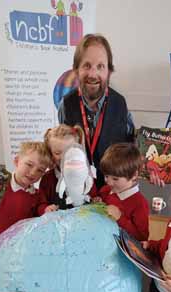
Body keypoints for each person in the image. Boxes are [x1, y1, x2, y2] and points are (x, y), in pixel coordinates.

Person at [58, 33, 135, 188]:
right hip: (78, 191)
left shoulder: (120, 104)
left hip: (113, 191)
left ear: (109, 71)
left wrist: (148, 168)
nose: (93, 74)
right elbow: (61, 149)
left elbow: (131, 149)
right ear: (76, 70)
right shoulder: (65, 105)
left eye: (100, 66)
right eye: (87, 65)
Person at [96, 143, 149, 241]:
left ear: (134, 175)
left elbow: (142, 237)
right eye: (106, 176)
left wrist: (120, 218)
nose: (109, 182)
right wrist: (98, 202)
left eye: (115, 179)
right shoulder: (106, 190)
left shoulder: (140, 204)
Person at [40, 123, 97, 211]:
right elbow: (40, 204)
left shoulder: (86, 175)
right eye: (58, 153)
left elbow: (94, 197)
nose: (64, 157)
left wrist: (96, 200)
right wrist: (45, 209)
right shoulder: (47, 179)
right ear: (50, 153)